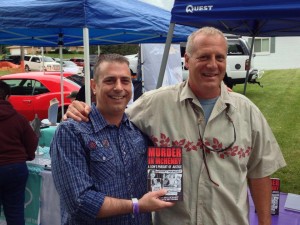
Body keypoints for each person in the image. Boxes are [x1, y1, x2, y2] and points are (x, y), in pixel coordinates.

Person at [64, 27, 286, 225]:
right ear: (187, 60)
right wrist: (82, 110)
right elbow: (114, 115)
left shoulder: (247, 111)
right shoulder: (155, 104)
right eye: (204, 56)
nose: (212, 64)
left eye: (220, 57)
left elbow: (260, 173)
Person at [50, 54, 173, 225]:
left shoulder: (139, 127)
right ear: (94, 86)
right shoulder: (72, 131)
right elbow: (79, 202)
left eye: (125, 81)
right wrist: (137, 206)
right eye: (110, 80)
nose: (118, 87)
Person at [0, 80, 38, 225]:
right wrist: (28, 156)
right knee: (15, 213)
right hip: (15, 168)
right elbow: (32, 142)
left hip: (13, 166)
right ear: (8, 97)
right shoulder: (19, 119)